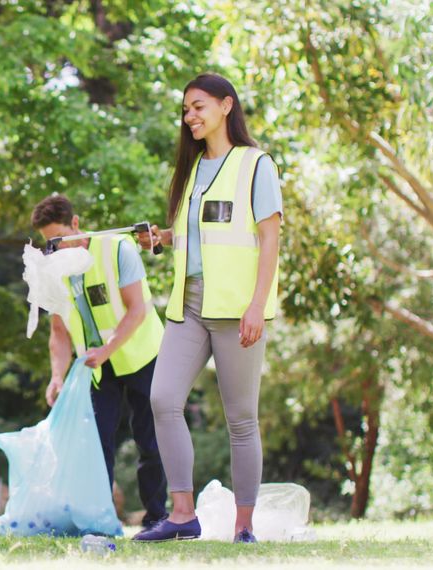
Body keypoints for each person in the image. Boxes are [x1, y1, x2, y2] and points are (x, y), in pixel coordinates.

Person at [133, 73, 282, 544]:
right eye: (185, 110)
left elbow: (269, 236)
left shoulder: (256, 165)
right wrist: (163, 238)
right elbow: (199, 235)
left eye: (198, 106)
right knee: (162, 399)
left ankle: (243, 528)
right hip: (189, 305)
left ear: (225, 106)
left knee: (241, 417)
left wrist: (257, 305)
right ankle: (182, 515)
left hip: (237, 307)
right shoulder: (194, 169)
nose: (190, 116)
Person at [31, 195, 169, 532]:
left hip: (142, 355)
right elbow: (59, 330)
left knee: (150, 441)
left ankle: (156, 519)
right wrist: (57, 376)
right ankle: (102, 521)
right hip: (97, 367)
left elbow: (137, 308)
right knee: (95, 443)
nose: (56, 250)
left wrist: (107, 349)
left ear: (75, 224)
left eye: (60, 240)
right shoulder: (53, 269)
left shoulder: (117, 249)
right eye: (49, 243)